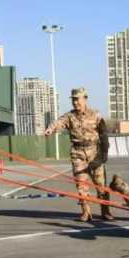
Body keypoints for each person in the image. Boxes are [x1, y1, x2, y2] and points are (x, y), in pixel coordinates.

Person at [44, 87, 111, 221]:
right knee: (81, 184)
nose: (75, 102)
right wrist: (50, 129)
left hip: (94, 152)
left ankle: (105, 211)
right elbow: (58, 122)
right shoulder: (69, 116)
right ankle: (86, 212)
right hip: (78, 153)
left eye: (77, 99)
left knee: (100, 184)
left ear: (85, 99)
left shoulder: (95, 114)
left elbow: (103, 133)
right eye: (73, 100)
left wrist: (104, 154)